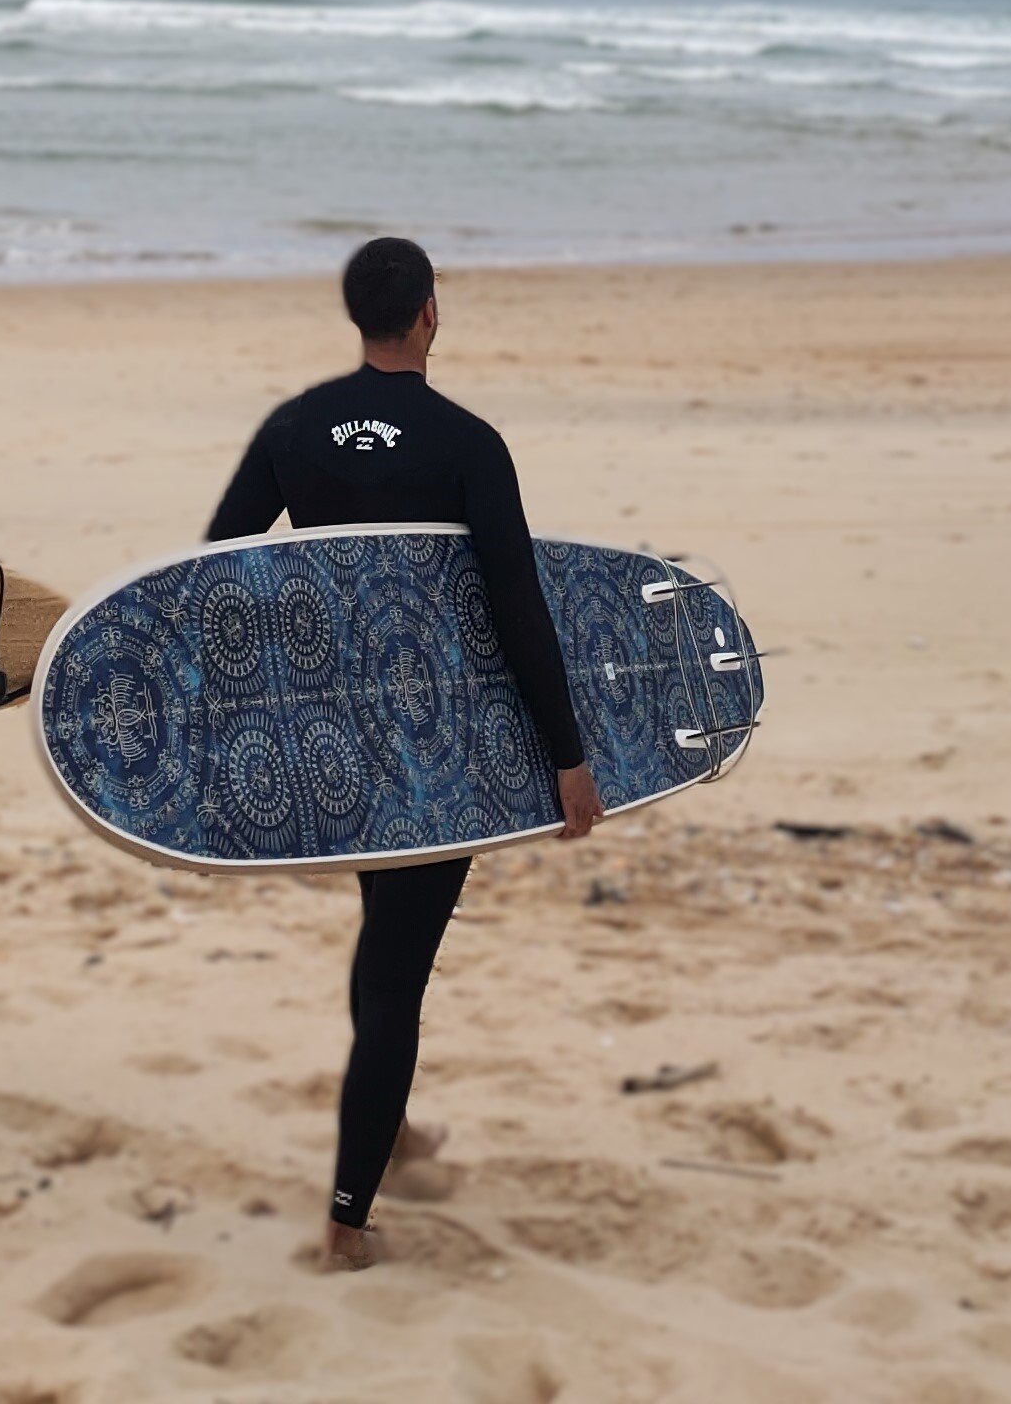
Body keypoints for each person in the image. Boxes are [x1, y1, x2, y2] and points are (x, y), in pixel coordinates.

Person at [206, 237, 599, 1269]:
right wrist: (566, 753)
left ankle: (397, 1132)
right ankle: (346, 1222)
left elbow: (219, 573)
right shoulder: (469, 443)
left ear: (357, 315)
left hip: (336, 746)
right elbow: (517, 608)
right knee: (393, 982)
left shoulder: (291, 429)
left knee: (384, 944)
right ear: (429, 313)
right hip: (436, 754)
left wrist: (269, 714)